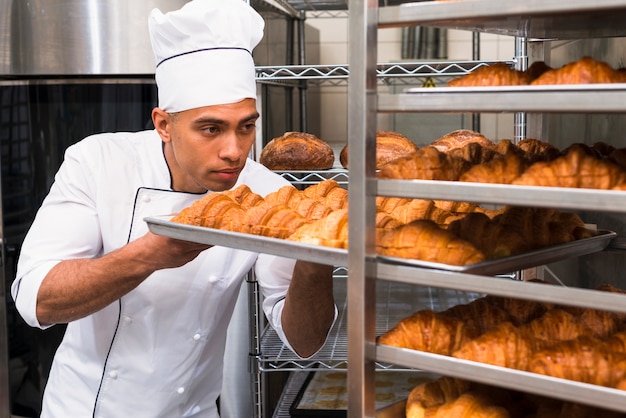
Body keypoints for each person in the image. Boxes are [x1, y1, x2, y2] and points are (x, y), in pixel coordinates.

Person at [11, 1, 336, 417]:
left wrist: (316, 260)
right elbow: (36, 301)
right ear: (163, 124)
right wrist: (150, 254)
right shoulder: (98, 162)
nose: (234, 151)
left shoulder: (267, 193)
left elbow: (305, 344)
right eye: (211, 128)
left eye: (246, 126)